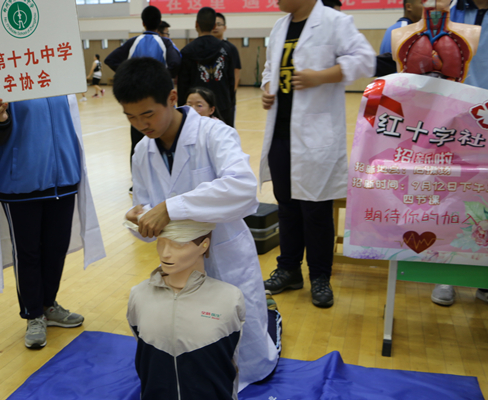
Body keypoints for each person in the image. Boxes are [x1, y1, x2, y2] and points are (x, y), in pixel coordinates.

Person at [114, 57, 280, 390]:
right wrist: (139, 219)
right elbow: (148, 210)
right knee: (189, 341)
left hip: (226, 254)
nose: (141, 124)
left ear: (172, 98)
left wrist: (171, 208)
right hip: (179, 263)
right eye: (130, 117)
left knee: (246, 350)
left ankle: (264, 341)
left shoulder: (213, 133)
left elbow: (243, 190)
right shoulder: (142, 152)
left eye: (148, 114)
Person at [260, 0, 375, 307]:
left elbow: (365, 60)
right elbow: (271, 68)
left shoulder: (336, 22)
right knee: (286, 207)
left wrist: (321, 76)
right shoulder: (280, 27)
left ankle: (320, 276)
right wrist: (268, 87)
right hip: (281, 132)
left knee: (316, 211)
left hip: (315, 136)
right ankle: (289, 269)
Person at [0, 95, 106, 349]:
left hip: (64, 178)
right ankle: (33, 314)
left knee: (56, 248)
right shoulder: (5, 82)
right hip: (20, 181)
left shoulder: (60, 80)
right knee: (27, 253)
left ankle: (48, 306)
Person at [126, 217, 244, 400]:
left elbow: (231, 358)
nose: (165, 253)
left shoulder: (229, 298)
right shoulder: (139, 295)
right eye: (161, 242)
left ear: (204, 245)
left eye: (178, 244)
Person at [428, 0, 488, 306]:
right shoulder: (450, 9)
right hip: (456, 119)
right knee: (452, 194)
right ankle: (446, 273)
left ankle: (484, 276)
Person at [105, 5, 182, 194]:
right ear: (159, 22)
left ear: (143, 22)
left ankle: (137, 183)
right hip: (157, 101)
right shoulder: (165, 42)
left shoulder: (133, 42)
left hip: (136, 100)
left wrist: (131, 76)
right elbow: (176, 62)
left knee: (137, 144)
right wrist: (159, 79)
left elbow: (110, 59)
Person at [177, 7, 236, 127]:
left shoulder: (187, 51)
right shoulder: (226, 49)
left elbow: (183, 84)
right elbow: (231, 80)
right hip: (222, 105)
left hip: (196, 109)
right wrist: (230, 104)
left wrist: (183, 109)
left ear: (196, 24)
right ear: (214, 26)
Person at [212, 13, 241, 94]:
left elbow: (236, 73)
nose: (215, 27)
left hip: (225, 93)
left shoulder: (231, 48)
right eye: (213, 25)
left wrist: (232, 93)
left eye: (219, 24)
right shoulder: (203, 47)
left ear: (224, 28)